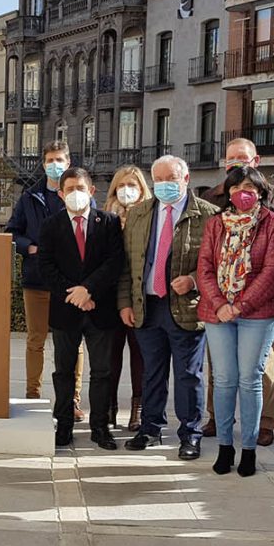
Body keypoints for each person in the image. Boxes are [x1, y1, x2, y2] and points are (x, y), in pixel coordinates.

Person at [201, 138, 274, 445]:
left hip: (262, 303)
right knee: (220, 367)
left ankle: (264, 423)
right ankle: (218, 417)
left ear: (256, 160)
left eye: (243, 158)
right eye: (231, 159)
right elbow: (205, 254)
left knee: (260, 370)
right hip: (220, 302)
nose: (237, 164)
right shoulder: (213, 197)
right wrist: (217, 300)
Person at [118, 156, 217, 460]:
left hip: (185, 308)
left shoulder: (208, 215)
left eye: (171, 179)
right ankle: (150, 428)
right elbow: (126, 262)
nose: (165, 185)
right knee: (151, 372)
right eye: (158, 180)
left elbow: (217, 264)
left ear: (186, 179)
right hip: (147, 306)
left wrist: (193, 280)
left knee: (188, 375)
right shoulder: (139, 213)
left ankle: (190, 434)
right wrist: (124, 302)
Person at [37, 167, 124, 450]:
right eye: (70, 189)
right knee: (63, 371)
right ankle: (63, 425)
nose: (76, 194)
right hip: (66, 310)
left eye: (81, 188)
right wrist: (75, 295)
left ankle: (100, 427)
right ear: (61, 194)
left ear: (92, 191)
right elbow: (46, 267)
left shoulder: (109, 222)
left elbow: (114, 262)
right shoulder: (51, 225)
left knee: (102, 371)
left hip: (100, 309)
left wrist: (89, 290)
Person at [6, 140, 85, 418]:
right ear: (43, 163)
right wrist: (29, 246)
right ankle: (32, 394)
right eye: (50, 160)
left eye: (60, 159)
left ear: (69, 160)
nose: (55, 165)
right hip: (37, 279)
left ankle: (72, 399)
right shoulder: (30, 197)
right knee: (35, 340)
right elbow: (13, 231)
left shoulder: (79, 194)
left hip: (70, 282)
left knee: (72, 342)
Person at [102, 165, 149, 431]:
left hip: (140, 296)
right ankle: (109, 407)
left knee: (140, 355)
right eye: (121, 185)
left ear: (142, 189)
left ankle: (138, 408)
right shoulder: (105, 217)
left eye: (132, 185)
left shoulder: (150, 217)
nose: (126, 190)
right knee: (110, 355)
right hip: (109, 297)